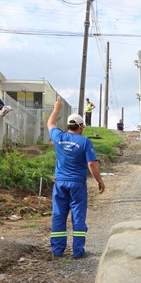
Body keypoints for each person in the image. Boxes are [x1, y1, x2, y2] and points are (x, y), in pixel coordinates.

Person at [48, 97, 105, 259]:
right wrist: (100, 181)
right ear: (81, 126)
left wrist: (57, 109)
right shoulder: (85, 142)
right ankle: (78, 251)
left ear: (68, 126)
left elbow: (50, 124)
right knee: (78, 216)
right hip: (77, 184)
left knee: (58, 215)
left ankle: (57, 251)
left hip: (60, 183)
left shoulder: (59, 137)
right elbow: (92, 164)